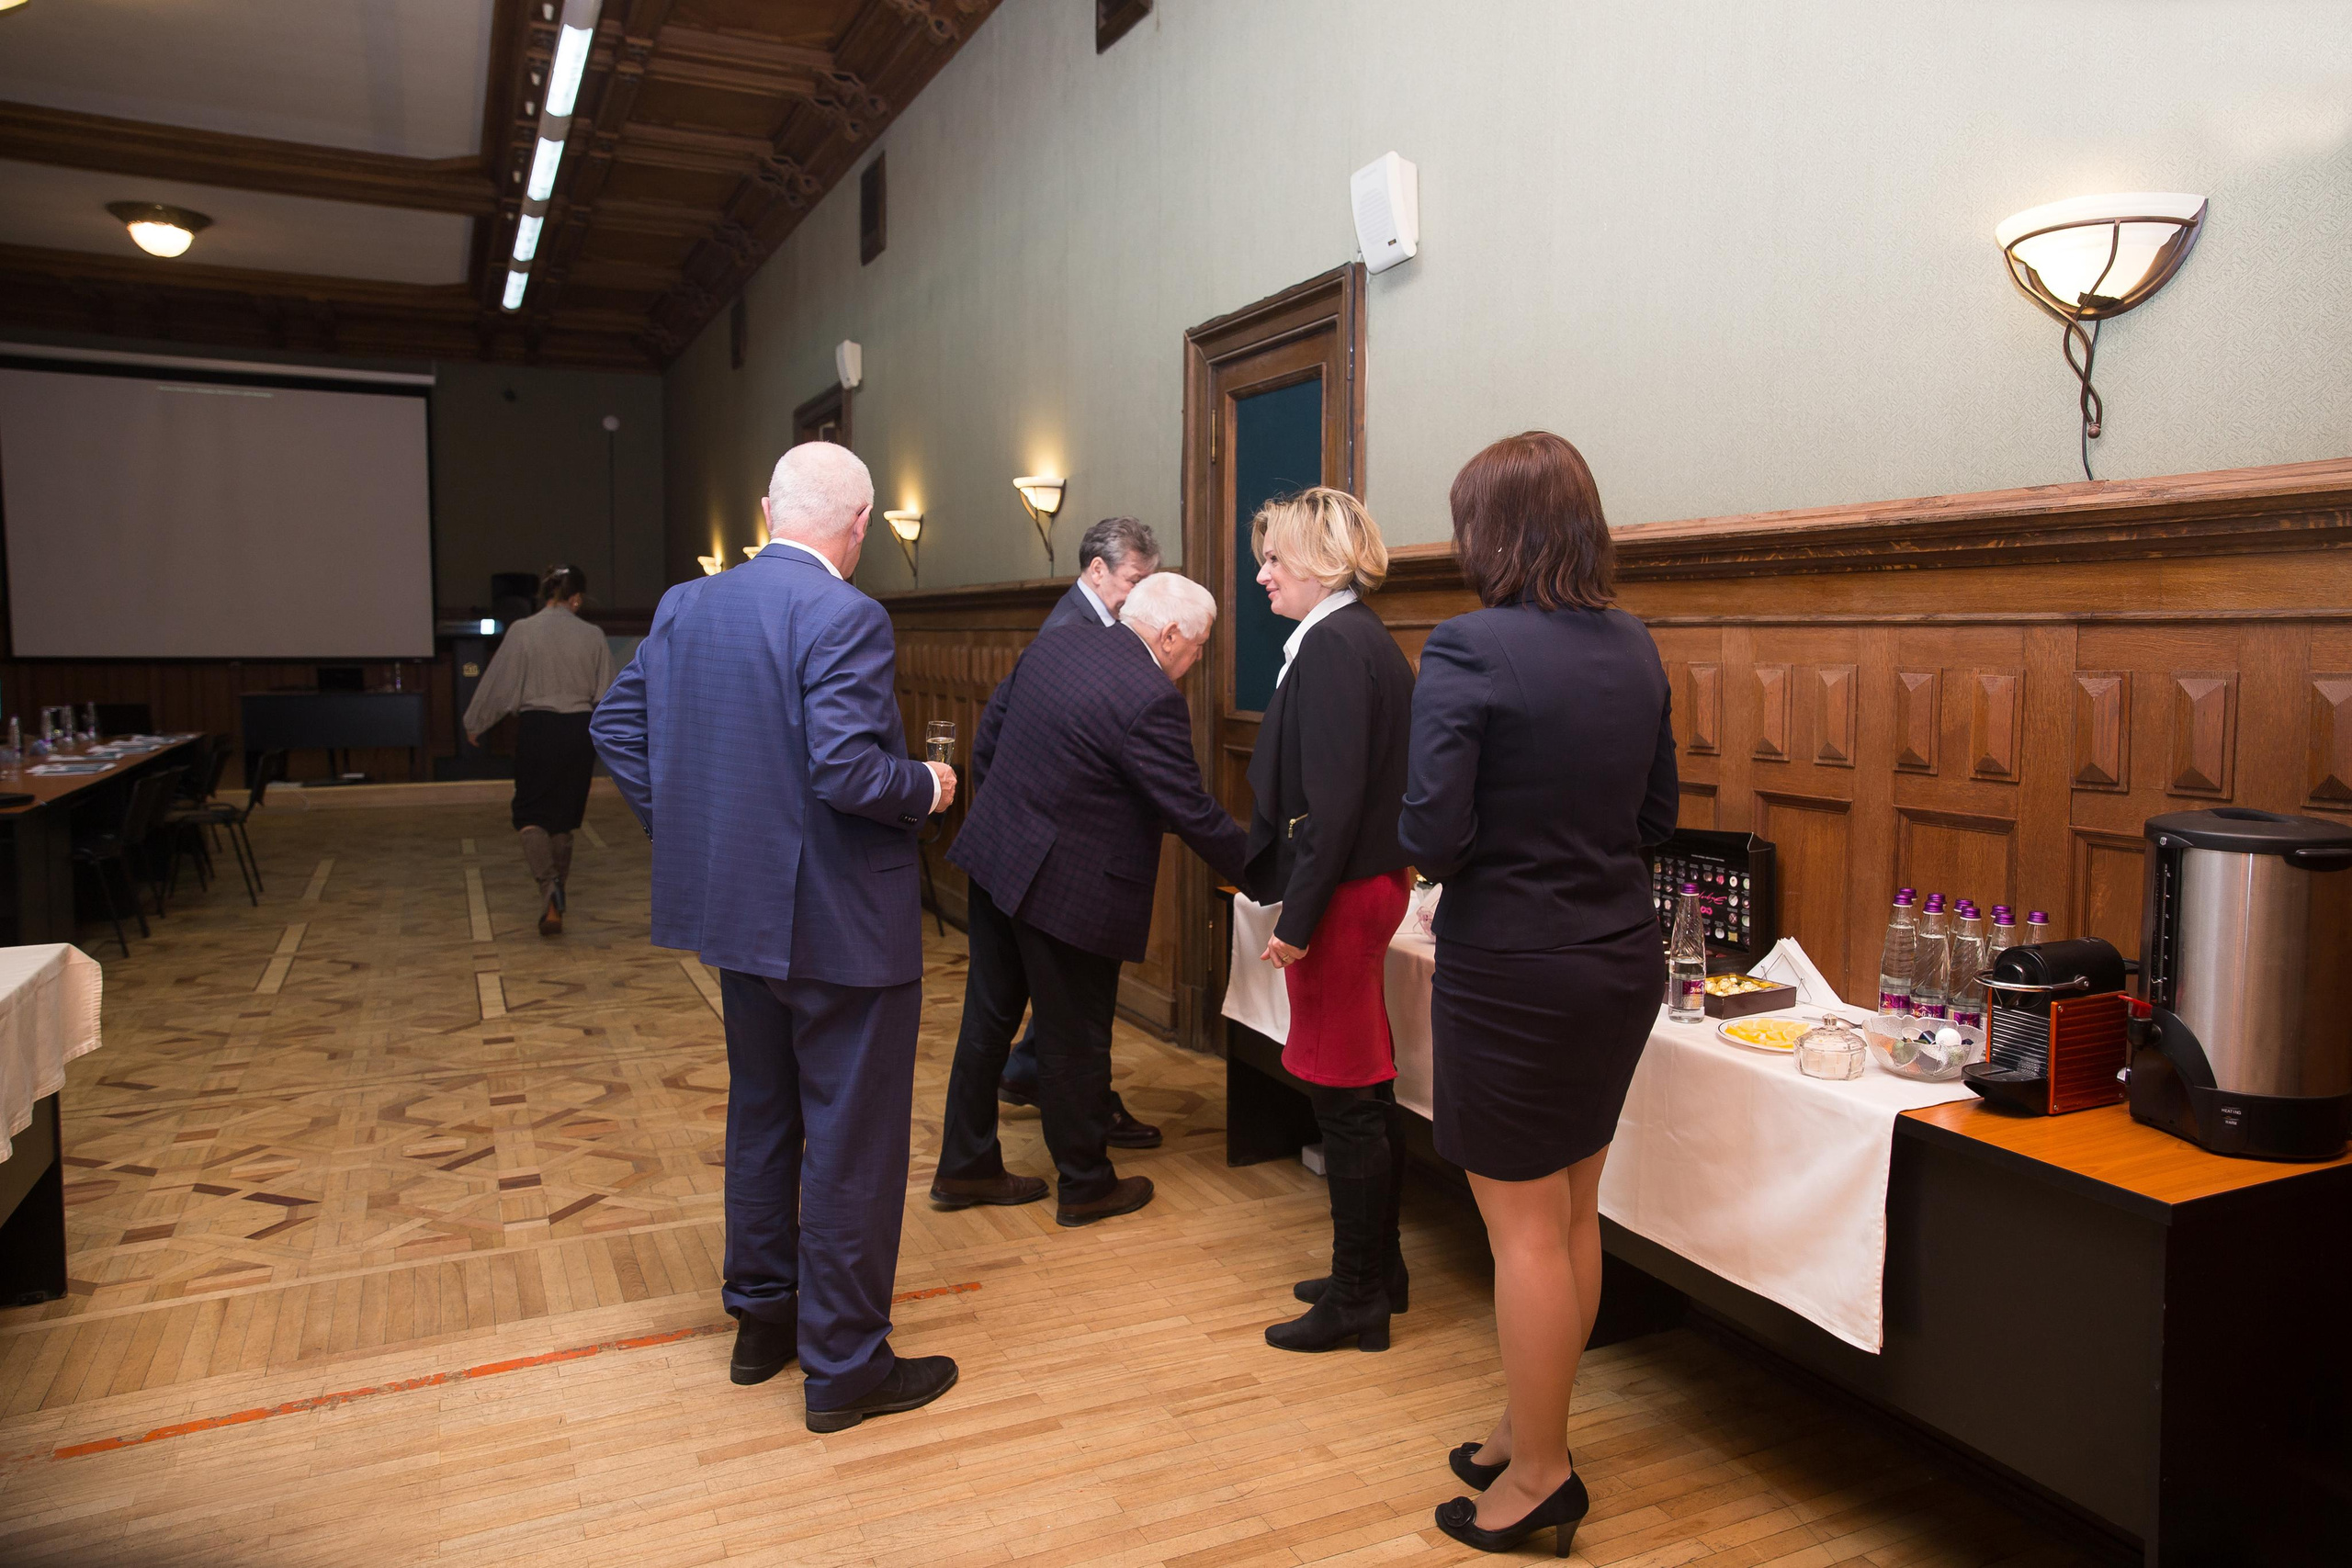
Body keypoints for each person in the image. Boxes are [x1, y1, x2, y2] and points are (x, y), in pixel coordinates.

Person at [590, 441, 963, 1434]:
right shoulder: (846, 614)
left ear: (764, 510)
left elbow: (616, 731)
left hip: (738, 915)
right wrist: (925, 787)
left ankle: (763, 1321)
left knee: (763, 1116)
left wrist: (699, 833)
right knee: (852, 1141)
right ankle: (843, 1368)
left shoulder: (685, 606)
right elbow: (849, 773)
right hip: (842, 923)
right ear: (859, 527)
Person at [1399, 432, 1678, 1556]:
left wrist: (1472, 854)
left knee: (1521, 1230)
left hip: (1513, 968)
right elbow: (1656, 821)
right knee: (1570, 1210)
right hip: (1617, 955)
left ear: (1493, 533)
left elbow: (1429, 830)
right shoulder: (1633, 644)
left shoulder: (1467, 647)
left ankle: (1544, 1477)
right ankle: (1530, 1424)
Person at [930, 573, 1249, 1227]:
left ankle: (965, 1165)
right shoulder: (1150, 697)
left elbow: (989, 738)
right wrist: (1272, 874)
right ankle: (1084, 1181)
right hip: (1068, 891)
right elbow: (1188, 809)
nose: (1197, 661)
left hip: (997, 861)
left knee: (986, 1024)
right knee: (1076, 1038)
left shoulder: (1057, 645)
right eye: (1199, 645)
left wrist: (1006, 821)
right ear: (1168, 636)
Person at [1239, 488, 1418, 1354]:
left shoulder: (1339, 645)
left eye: (1274, 558)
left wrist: (1299, 918)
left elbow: (1334, 803)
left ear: (1321, 562)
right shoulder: (1345, 637)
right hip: (1353, 885)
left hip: (1343, 895)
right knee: (1360, 1084)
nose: (1263, 573)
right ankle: (1378, 1269)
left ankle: (1358, 1299)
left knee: (1343, 1094)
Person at [994, 515, 1166, 1150]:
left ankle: (1040, 1076)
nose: (1141, 594)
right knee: (1072, 1004)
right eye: (1134, 579)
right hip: (1061, 854)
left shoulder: (1091, 622)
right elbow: (998, 731)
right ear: (1097, 570)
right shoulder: (1073, 629)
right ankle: (1078, 1118)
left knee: (1063, 1001)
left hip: (1044, 848)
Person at [463, 563, 615, 936]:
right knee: (563, 819)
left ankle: (549, 889)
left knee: (530, 814)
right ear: (576, 597)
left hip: (538, 730)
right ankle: (556, 897)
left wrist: (476, 722)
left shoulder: (522, 631)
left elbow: (500, 682)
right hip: (578, 732)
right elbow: (608, 693)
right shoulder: (593, 635)